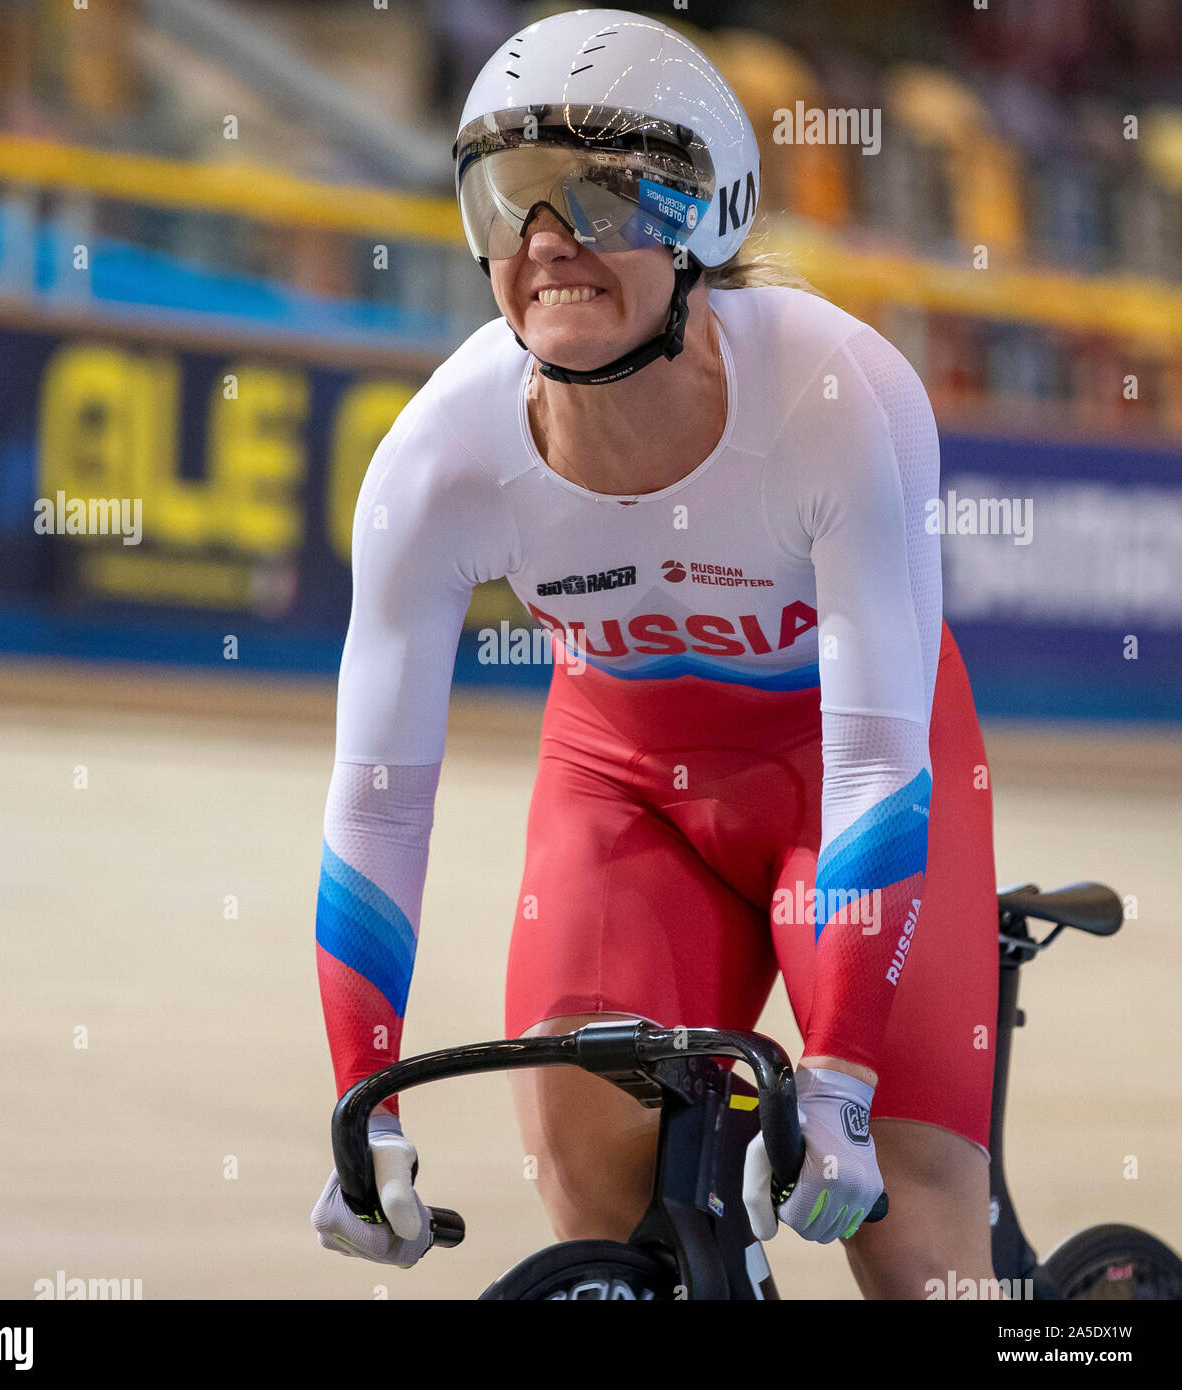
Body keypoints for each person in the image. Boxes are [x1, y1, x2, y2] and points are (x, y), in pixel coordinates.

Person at [312, 8, 1000, 1298]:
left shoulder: (839, 395)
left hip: (848, 777)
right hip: (624, 780)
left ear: (710, 219)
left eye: (602, 197)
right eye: (511, 197)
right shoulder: (437, 456)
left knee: (911, 1243)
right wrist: (366, 1100)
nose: (550, 240)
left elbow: (873, 760)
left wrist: (844, 1070)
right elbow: (378, 801)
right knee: (594, 1191)